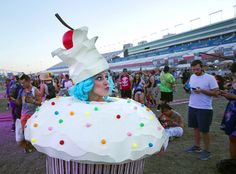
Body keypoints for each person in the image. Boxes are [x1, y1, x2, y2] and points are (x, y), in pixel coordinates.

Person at [24, 25, 168, 174]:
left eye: (106, 77)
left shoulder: (125, 107)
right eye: (99, 78)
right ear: (86, 84)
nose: (106, 82)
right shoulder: (62, 108)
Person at [186, 60, 219, 161]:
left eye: (197, 69)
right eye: (193, 69)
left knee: (204, 131)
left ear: (202, 67)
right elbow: (190, 89)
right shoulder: (192, 77)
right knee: (195, 128)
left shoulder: (210, 78)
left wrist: (202, 91)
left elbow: (216, 93)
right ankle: (197, 146)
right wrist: (187, 89)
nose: (195, 71)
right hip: (192, 106)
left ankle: (207, 151)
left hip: (204, 108)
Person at [16, 74, 42, 152]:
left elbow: (40, 103)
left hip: (33, 115)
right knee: (25, 132)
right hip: (24, 114)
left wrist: (32, 101)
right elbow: (19, 102)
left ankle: (34, 146)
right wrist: (15, 100)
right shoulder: (21, 91)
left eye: (23, 83)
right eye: (21, 83)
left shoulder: (35, 90)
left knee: (33, 132)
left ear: (28, 81)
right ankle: (28, 146)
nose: (22, 85)